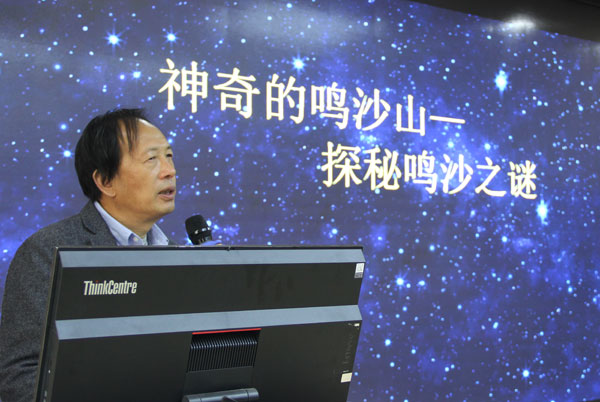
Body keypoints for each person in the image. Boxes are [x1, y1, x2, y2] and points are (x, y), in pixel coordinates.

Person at [0, 108, 177, 402]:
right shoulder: (49, 251)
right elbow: (19, 376)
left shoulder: (174, 254)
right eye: (151, 159)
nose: (169, 170)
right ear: (105, 181)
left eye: (169, 156)